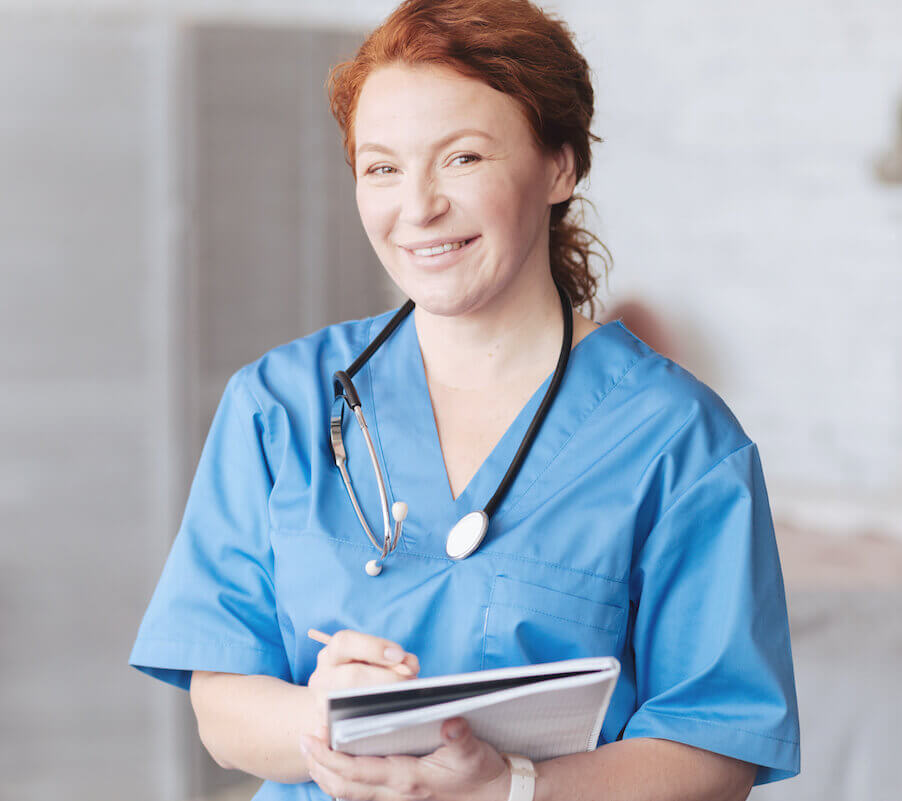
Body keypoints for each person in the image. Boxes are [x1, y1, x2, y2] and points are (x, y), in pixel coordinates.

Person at [129, 1, 801, 799]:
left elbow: (715, 749)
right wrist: (322, 716)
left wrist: (513, 789)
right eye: (382, 167)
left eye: (463, 158)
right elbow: (222, 703)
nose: (417, 208)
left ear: (560, 165)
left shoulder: (677, 441)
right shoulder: (278, 406)